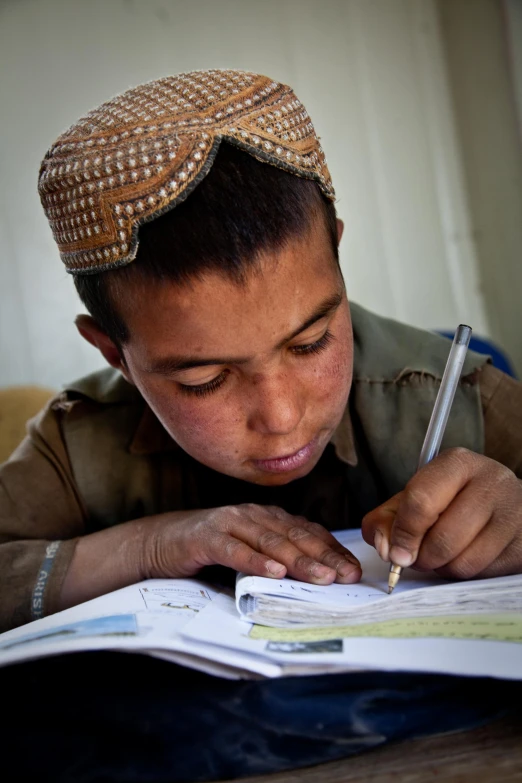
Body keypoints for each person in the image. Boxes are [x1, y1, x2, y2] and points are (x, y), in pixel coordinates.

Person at [1, 70, 521, 782]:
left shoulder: (446, 393)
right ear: (114, 353)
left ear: (337, 252)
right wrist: (148, 547)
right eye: (203, 380)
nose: (281, 418)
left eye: (311, 342)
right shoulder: (77, 444)